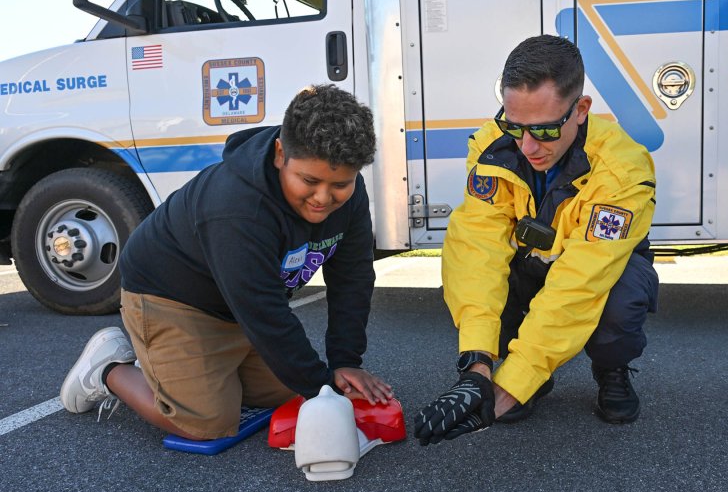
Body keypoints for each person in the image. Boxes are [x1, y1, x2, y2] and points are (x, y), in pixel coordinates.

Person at [60, 84, 393, 440]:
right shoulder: (237, 208)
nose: (323, 198)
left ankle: (180, 368)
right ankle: (108, 369)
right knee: (207, 422)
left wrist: (344, 361)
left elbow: (353, 277)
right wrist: (324, 389)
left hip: (234, 305)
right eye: (309, 181)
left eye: (339, 184)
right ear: (280, 153)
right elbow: (262, 311)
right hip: (171, 298)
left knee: (286, 392)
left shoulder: (351, 193)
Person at [414, 35, 659, 446]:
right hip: (533, 260)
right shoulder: (491, 147)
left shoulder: (623, 171)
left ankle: (611, 369)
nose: (527, 146)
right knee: (480, 275)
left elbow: (581, 283)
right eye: (514, 126)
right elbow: (477, 250)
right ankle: (522, 372)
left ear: (580, 110)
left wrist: (507, 391)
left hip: (600, 269)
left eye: (544, 129)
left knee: (619, 302)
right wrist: (477, 367)